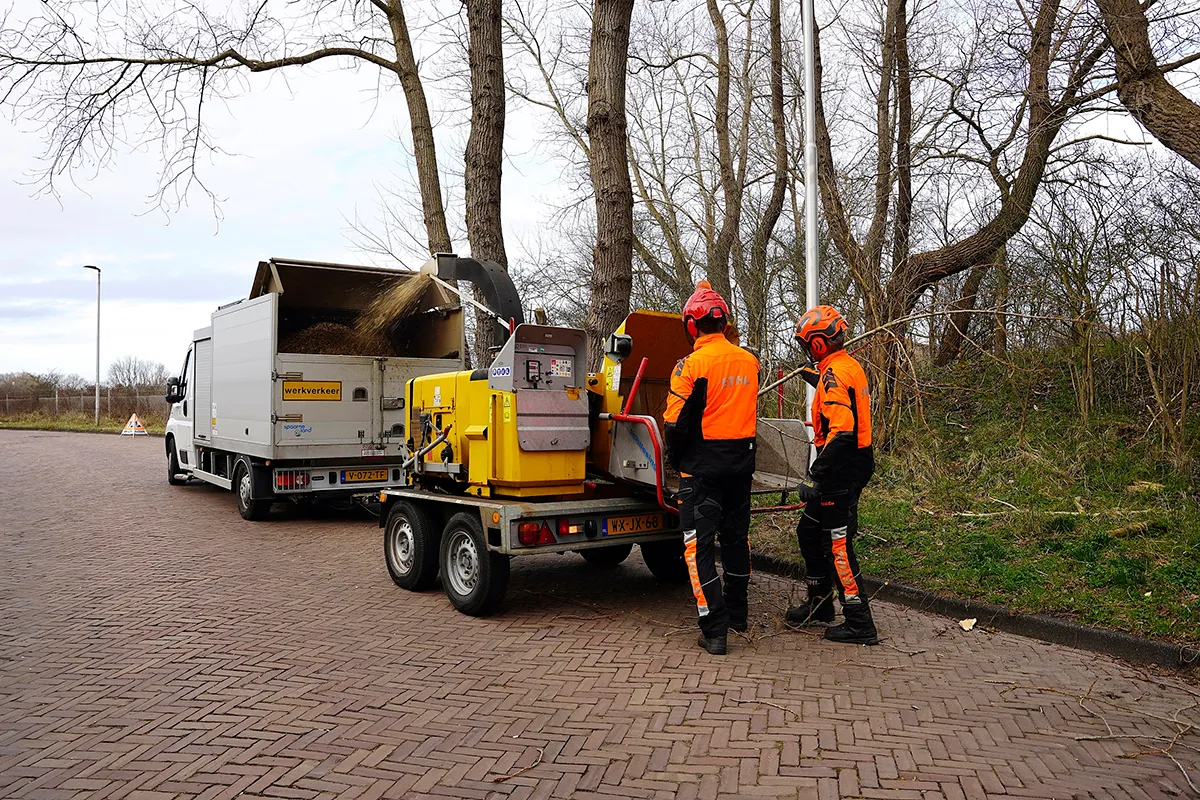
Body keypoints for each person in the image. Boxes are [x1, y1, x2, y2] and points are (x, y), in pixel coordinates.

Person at [664, 280, 760, 656]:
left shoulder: (690, 365)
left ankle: (715, 629)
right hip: (741, 467)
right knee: (737, 539)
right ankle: (737, 613)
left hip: (702, 471)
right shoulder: (748, 360)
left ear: (691, 325)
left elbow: (674, 424)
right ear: (725, 322)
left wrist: (676, 461)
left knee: (698, 547)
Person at [787, 305, 879, 645]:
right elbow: (841, 397)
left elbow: (842, 431)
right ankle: (820, 602)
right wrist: (810, 376)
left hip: (841, 467)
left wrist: (816, 475)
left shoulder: (833, 374)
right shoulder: (844, 366)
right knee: (809, 532)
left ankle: (859, 621)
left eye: (806, 345)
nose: (805, 351)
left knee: (837, 545)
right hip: (851, 462)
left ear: (819, 344)